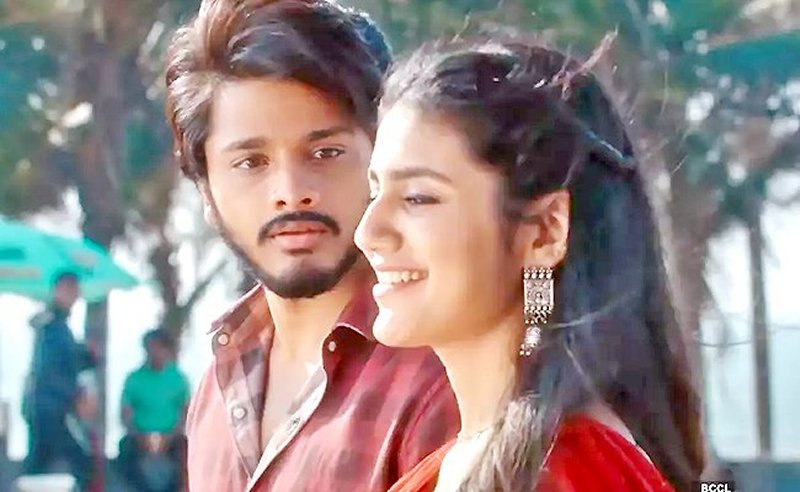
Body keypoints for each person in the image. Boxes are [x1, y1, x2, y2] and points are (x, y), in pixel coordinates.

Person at [355, 39, 706, 491]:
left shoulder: (574, 471)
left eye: (418, 197)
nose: (368, 232)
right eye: (373, 193)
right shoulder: (442, 474)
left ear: (545, 231)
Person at [163, 1, 458, 490]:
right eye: (251, 162)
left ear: (385, 158)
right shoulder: (217, 389)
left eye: (326, 152)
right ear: (205, 189)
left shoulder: (440, 380)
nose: (291, 191)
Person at [21, 271, 96, 490]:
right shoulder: (50, 325)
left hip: (55, 409)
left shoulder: (61, 326)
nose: (74, 295)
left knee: (43, 467)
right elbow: (49, 370)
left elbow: (68, 362)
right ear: (58, 290)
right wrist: (77, 396)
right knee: (74, 464)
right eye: (69, 288)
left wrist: (87, 356)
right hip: (47, 409)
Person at [117, 329, 190, 491]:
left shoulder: (178, 379)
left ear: (167, 350)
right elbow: (125, 413)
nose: (154, 352)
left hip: (171, 437)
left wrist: (169, 437)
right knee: (124, 449)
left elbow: (185, 413)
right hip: (139, 436)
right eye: (149, 348)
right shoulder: (134, 379)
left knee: (186, 452)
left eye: (158, 347)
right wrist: (139, 436)